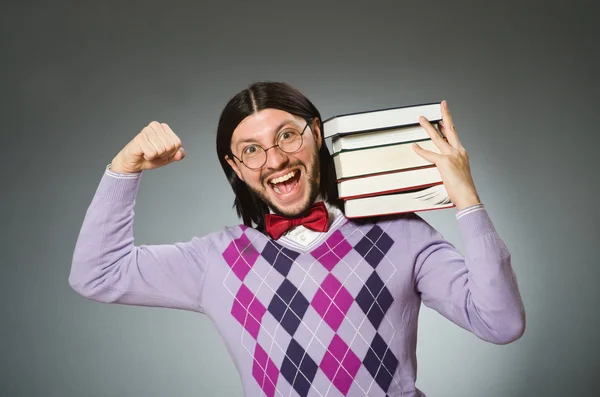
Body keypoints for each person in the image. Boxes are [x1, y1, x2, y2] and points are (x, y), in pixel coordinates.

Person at [69, 81, 525, 397]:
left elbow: (500, 323)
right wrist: (122, 169)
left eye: (288, 135)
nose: (274, 158)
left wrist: (465, 195)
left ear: (317, 133)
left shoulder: (399, 232)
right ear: (235, 167)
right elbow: (97, 274)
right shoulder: (217, 260)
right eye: (251, 149)